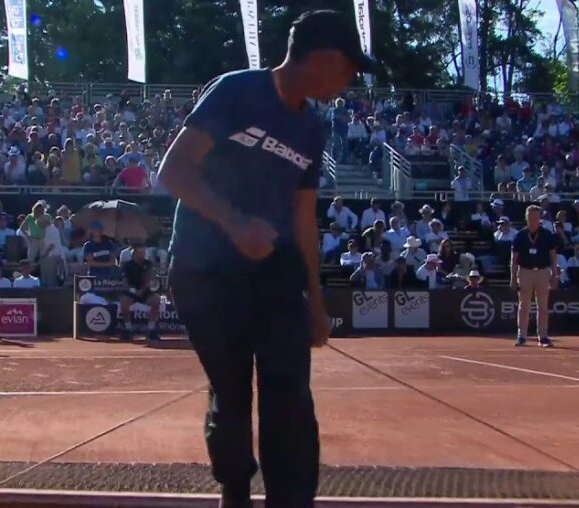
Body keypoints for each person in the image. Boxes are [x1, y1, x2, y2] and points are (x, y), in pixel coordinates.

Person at [157, 10, 374, 508]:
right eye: (349, 69)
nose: (349, 82)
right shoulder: (237, 91)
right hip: (204, 270)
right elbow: (173, 171)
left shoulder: (312, 130)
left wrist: (315, 301)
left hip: (274, 273)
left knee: (291, 394)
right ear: (324, 58)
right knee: (231, 395)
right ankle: (235, 492)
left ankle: (291, 501)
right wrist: (234, 223)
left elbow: (302, 218)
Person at [511, 205, 558, 348]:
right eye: (531, 216)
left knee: (543, 306)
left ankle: (543, 336)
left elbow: (553, 256)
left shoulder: (547, 235)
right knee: (523, 305)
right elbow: (514, 258)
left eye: (536, 217)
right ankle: (522, 335)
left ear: (540, 218)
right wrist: (513, 277)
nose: (533, 219)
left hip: (543, 272)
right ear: (526, 217)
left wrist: (554, 275)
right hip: (525, 271)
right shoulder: (520, 235)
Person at [118, 242, 161, 342]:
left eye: (143, 253)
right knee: (123, 302)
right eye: (139, 253)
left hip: (145, 292)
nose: (141, 255)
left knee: (156, 300)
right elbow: (125, 283)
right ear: (133, 254)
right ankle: (128, 329)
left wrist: (142, 290)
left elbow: (149, 278)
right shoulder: (127, 265)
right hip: (131, 291)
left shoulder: (148, 264)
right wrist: (134, 291)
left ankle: (150, 330)